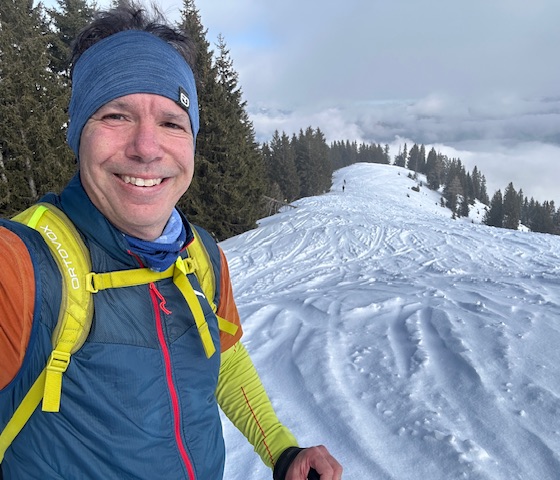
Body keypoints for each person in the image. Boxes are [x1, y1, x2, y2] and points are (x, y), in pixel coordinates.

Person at [0, 2, 342, 479]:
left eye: (171, 122)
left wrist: (282, 451)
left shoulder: (201, 254)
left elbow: (223, 357)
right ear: (79, 133)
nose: (146, 147)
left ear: (192, 141)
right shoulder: (23, 268)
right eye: (116, 115)